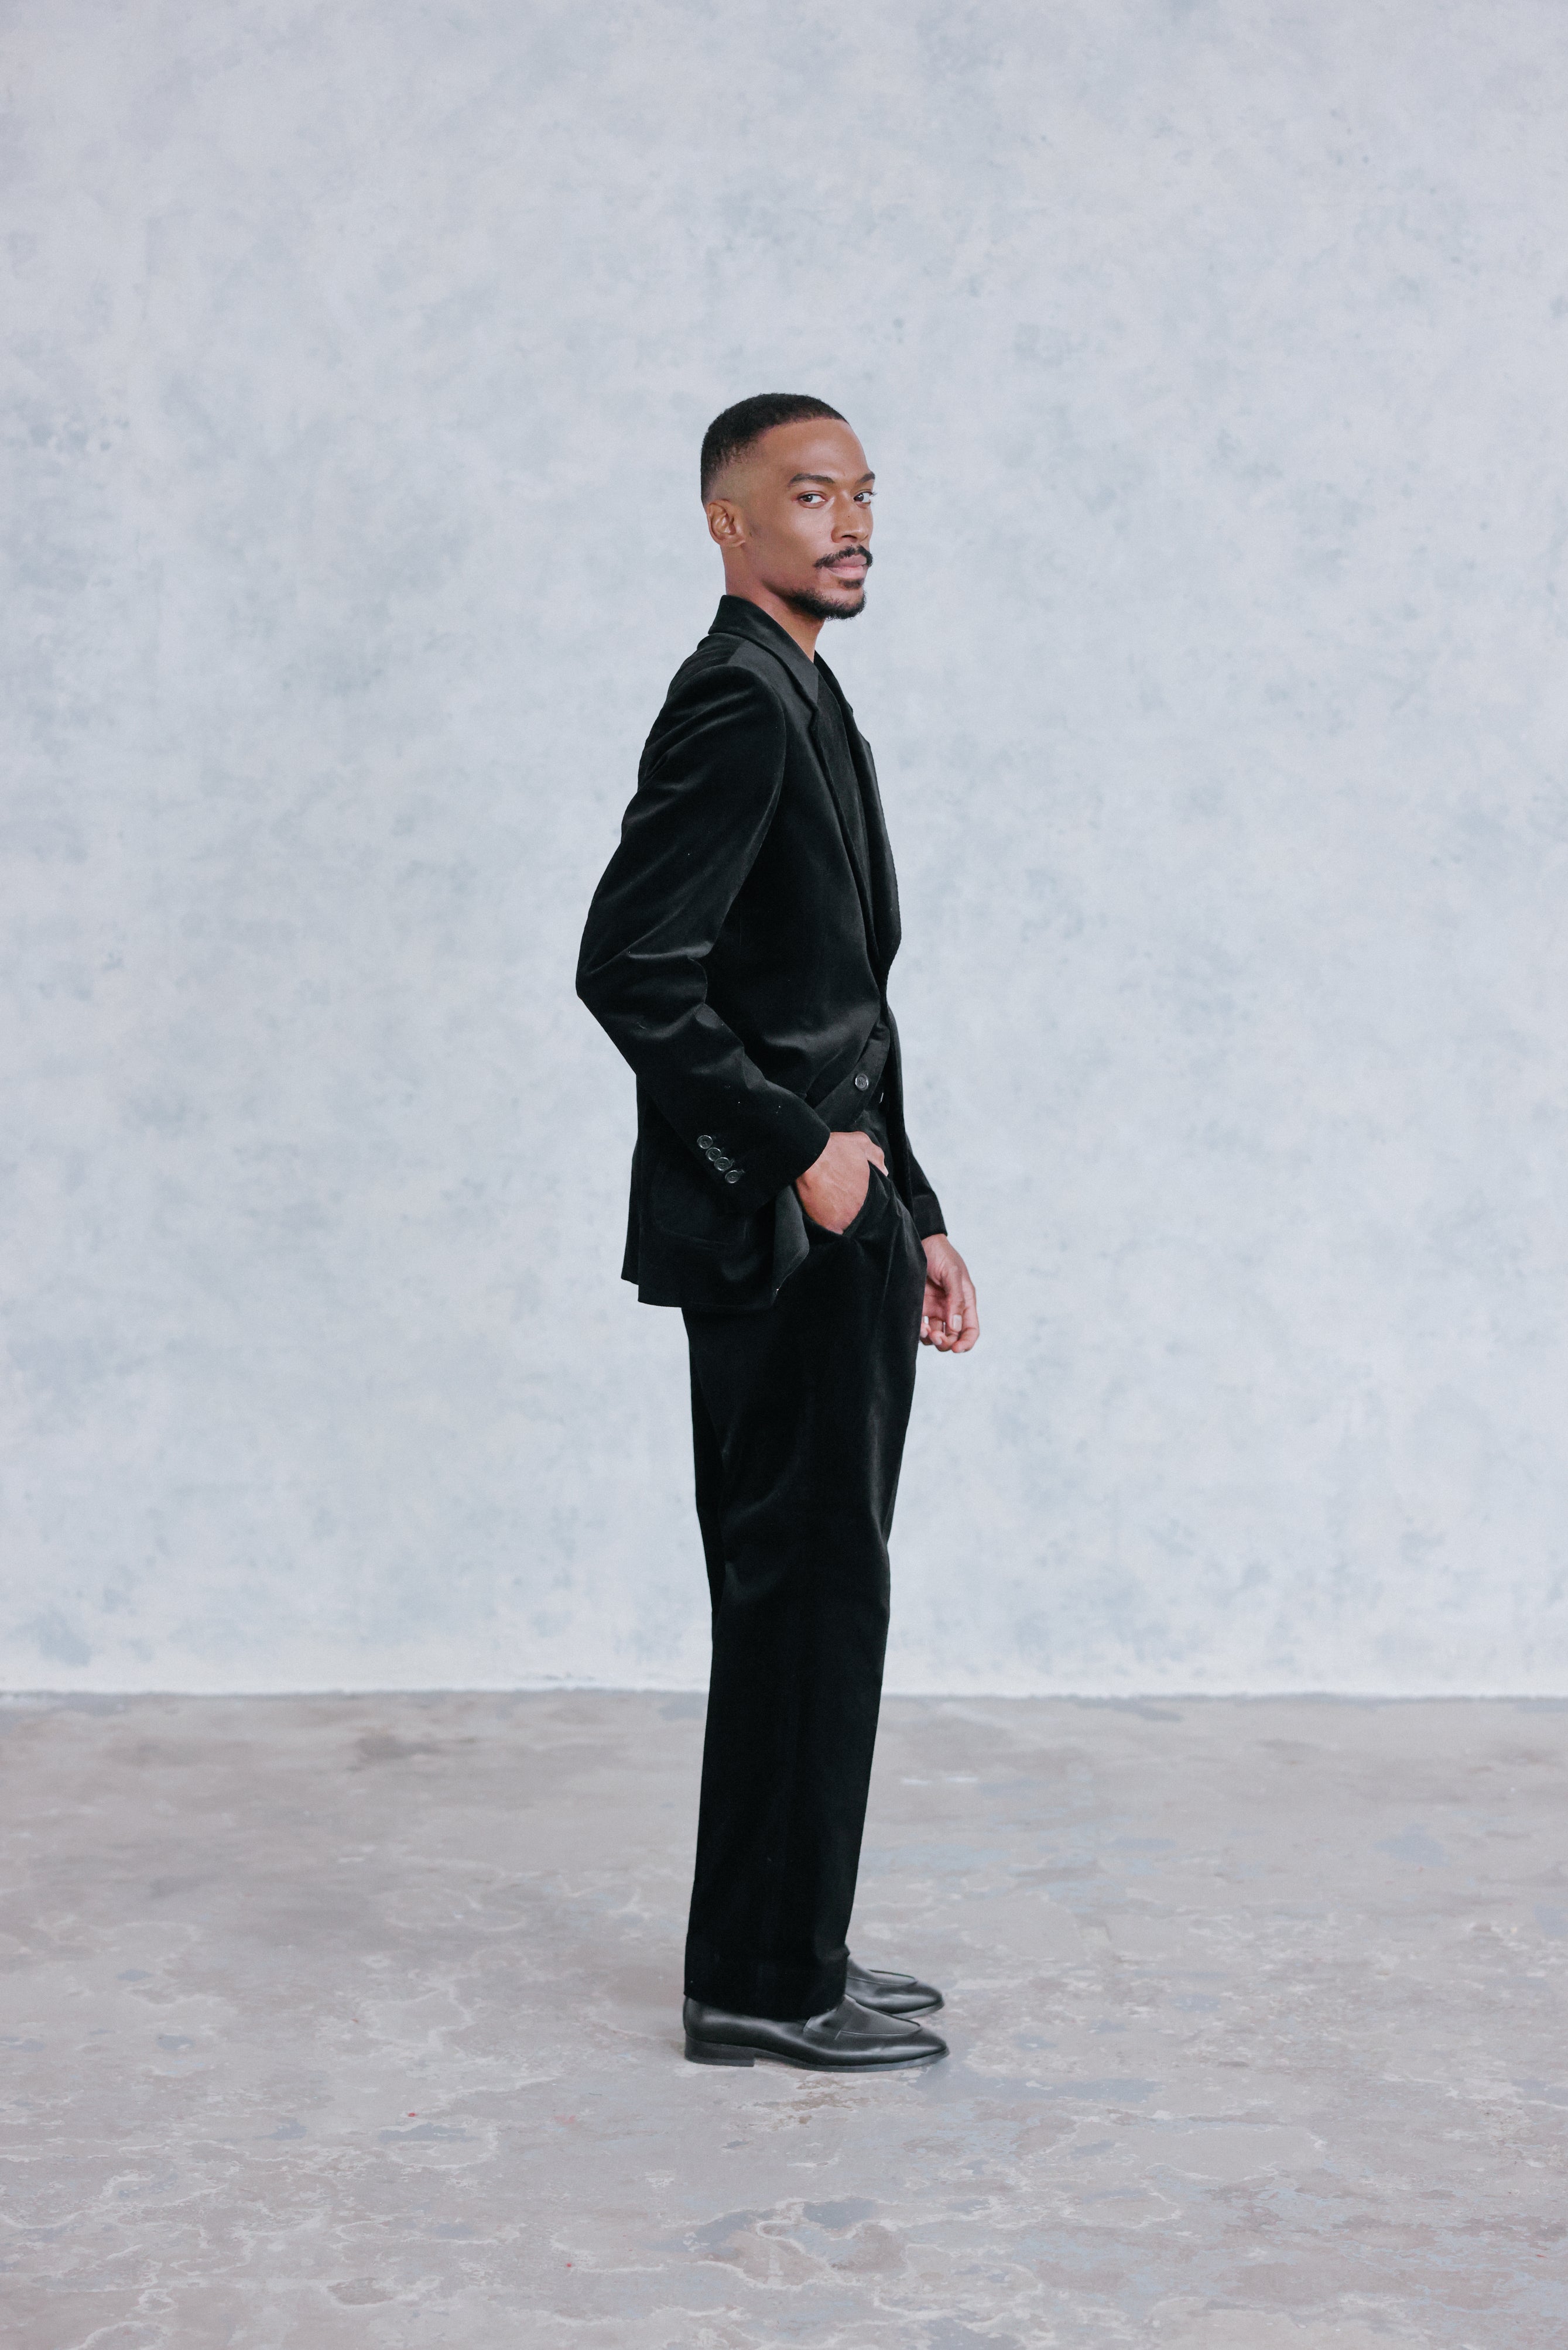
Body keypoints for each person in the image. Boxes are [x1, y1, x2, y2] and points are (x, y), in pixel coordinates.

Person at [577, 393, 979, 2071]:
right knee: (798, 1597)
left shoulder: (809, 692)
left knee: (827, 1595)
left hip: (846, 1218)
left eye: (864, 494)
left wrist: (918, 1208)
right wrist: (801, 1156)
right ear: (729, 524)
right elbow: (629, 969)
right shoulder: (734, 701)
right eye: (813, 496)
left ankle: (789, 1942)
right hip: (777, 1226)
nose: (852, 522)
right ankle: (759, 1982)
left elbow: (840, 1008)